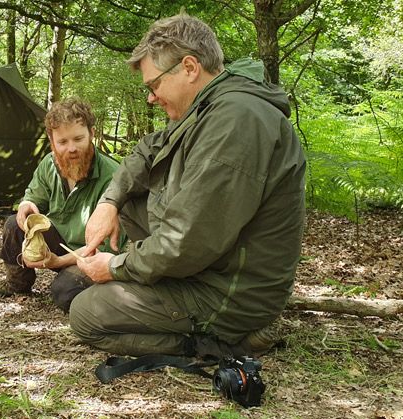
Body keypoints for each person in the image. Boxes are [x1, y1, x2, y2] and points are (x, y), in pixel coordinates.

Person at [71, 14, 306, 358]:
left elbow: (185, 241)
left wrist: (114, 268)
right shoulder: (208, 107)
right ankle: (150, 287)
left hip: (231, 292)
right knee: (131, 208)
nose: (151, 97)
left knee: (86, 314)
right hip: (210, 263)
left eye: (153, 85)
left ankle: (227, 341)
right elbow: (147, 149)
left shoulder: (236, 122)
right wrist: (110, 202)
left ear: (190, 68)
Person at [0, 98, 124, 312]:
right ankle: (17, 284)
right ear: (52, 141)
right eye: (62, 142)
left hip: (92, 254)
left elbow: (106, 246)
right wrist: (27, 205)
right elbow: (34, 196)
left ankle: (99, 292)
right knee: (13, 225)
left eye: (78, 139)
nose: (71, 149)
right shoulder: (49, 163)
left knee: (64, 293)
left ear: (92, 134)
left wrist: (57, 262)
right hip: (59, 239)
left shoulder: (113, 176)